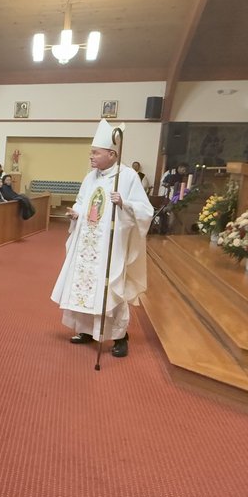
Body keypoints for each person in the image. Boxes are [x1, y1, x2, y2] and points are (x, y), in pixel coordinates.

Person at [51, 119, 153, 358]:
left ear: (111, 153)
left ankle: (119, 336)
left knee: (110, 287)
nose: (91, 157)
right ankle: (86, 330)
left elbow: (145, 211)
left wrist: (124, 203)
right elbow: (82, 201)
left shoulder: (127, 177)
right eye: (91, 153)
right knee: (84, 285)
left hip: (111, 245)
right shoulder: (91, 177)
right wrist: (76, 212)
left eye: (95, 153)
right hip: (87, 242)